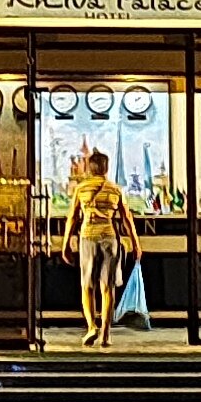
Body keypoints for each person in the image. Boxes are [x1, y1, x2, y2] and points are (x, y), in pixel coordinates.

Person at [62, 145, 136, 347]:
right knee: (107, 287)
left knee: (87, 286)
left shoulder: (81, 188)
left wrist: (66, 243)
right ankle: (105, 333)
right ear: (106, 168)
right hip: (110, 238)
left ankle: (91, 327)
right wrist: (136, 244)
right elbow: (127, 218)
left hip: (88, 237)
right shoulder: (115, 189)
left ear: (89, 167)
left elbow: (72, 218)